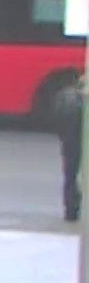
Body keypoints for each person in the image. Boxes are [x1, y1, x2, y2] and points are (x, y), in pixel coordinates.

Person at [55, 77, 83, 223]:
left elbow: (58, 123)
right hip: (74, 138)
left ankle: (71, 211)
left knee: (71, 174)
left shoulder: (67, 97)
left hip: (71, 142)